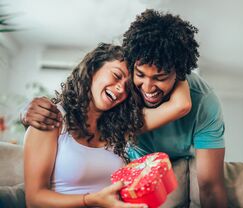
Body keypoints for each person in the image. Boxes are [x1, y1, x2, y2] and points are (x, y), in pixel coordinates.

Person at [22, 9, 228, 207]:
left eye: (160, 77)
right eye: (137, 75)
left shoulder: (123, 124)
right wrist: (26, 111)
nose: (145, 88)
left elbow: (181, 106)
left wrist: (179, 68)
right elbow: (35, 198)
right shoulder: (61, 117)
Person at [23, 43, 192, 208]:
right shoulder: (51, 119)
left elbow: (181, 105)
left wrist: (175, 59)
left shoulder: (120, 127)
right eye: (117, 76)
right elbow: (35, 199)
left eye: (128, 87)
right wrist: (90, 200)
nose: (120, 89)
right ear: (92, 69)